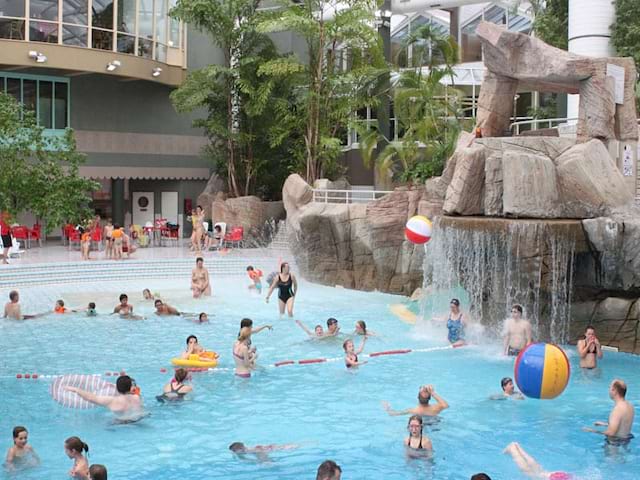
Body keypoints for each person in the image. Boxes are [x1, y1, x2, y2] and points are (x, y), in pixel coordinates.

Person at [65, 375, 144, 419]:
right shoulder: (137, 398)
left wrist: (75, 389)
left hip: (120, 424)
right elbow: (135, 390)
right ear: (131, 388)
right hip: (138, 420)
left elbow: (91, 398)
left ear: (117, 388)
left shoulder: (112, 401)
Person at [504, 442, 573, 479]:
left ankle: (517, 446)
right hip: (555, 478)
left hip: (562, 476)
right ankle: (512, 449)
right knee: (526, 471)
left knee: (538, 469)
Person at [383, 384, 449, 416]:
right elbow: (393, 414)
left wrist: (433, 392)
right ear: (418, 396)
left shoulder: (435, 407)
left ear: (430, 396)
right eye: (423, 392)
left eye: (426, 392)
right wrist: (387, 408)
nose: (424, 393)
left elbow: (446, 406)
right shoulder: (413, 410)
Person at [229, 442, 298, 462]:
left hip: (279, 448)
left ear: (242, 448)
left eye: (235, 451)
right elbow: (243, 458)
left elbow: (260, 452)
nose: (234, 452)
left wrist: (265, 461)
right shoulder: (243, 451)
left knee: (298, 445)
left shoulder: (250, 450)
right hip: (271, 447)